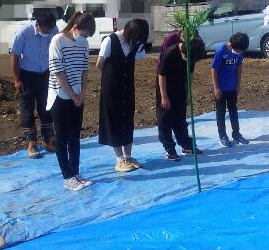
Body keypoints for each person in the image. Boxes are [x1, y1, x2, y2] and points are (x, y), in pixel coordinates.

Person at [47, 11, 95, 191]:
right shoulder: (57, 41)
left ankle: (75, 172)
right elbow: (58, 72)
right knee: (62, 137)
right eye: (83, 34)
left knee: (75, 136)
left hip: (77, 95)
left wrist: (82, 92)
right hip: (60, 95)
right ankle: (67, 176)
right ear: (75, 27)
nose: (84, 38)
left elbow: (84, 69)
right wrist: (72, 94)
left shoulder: (83, 43)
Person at [96, 18, 149, 172]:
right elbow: (99, 64)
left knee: (127, 119)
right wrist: (110, 78)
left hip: (127, 87)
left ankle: (128, 156)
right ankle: (119, 159)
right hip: (111, 88)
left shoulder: (135, 43)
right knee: (114, 121)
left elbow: (137, 58)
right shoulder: (110, 40)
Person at [10, 11, 59, 159]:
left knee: (47, 107)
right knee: (27, 109)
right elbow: (14, 56)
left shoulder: (53, 30)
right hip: (27, 75)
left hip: (46, 74)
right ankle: (31, 143)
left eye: (50, 30)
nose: (48, 33)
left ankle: (49, 140)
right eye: (46, 30)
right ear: (38, 25)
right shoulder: (23, 33)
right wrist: (17, 79)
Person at [156, 31, 204, 160]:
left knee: (180, 119)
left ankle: (186, 145)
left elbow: (190, 75)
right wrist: (164, 97)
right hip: (166, 88)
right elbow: (161, 75)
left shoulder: (192, 54)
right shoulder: (170, 53)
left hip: (180, 88)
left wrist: (188, 93)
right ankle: (169, 148)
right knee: (165, 119)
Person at [212, 32, 250, 147]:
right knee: (221, 112)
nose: (239, 53)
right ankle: (222, 135)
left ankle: (236, 134)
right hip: (221, 88)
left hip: (232, 86)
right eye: (238, 50)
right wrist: (216, 87)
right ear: (232, 45)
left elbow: (239, 66)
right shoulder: (221, 51)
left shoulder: (239, 52)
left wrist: (238, 83)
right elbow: (214, 69)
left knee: (233, 111)